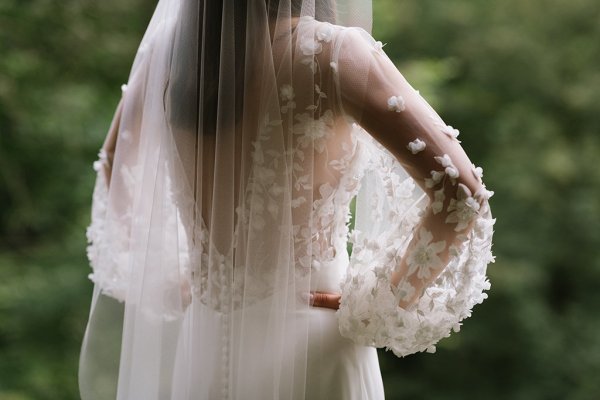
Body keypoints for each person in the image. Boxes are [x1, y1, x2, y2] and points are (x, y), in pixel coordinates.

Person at [79, 0, 495, 399]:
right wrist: (383, 301)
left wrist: (176, 278)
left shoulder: (171, 56)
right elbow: (462, 192)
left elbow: (115, 160)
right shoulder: (332, 53)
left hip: (203, 343)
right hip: (313, 343)